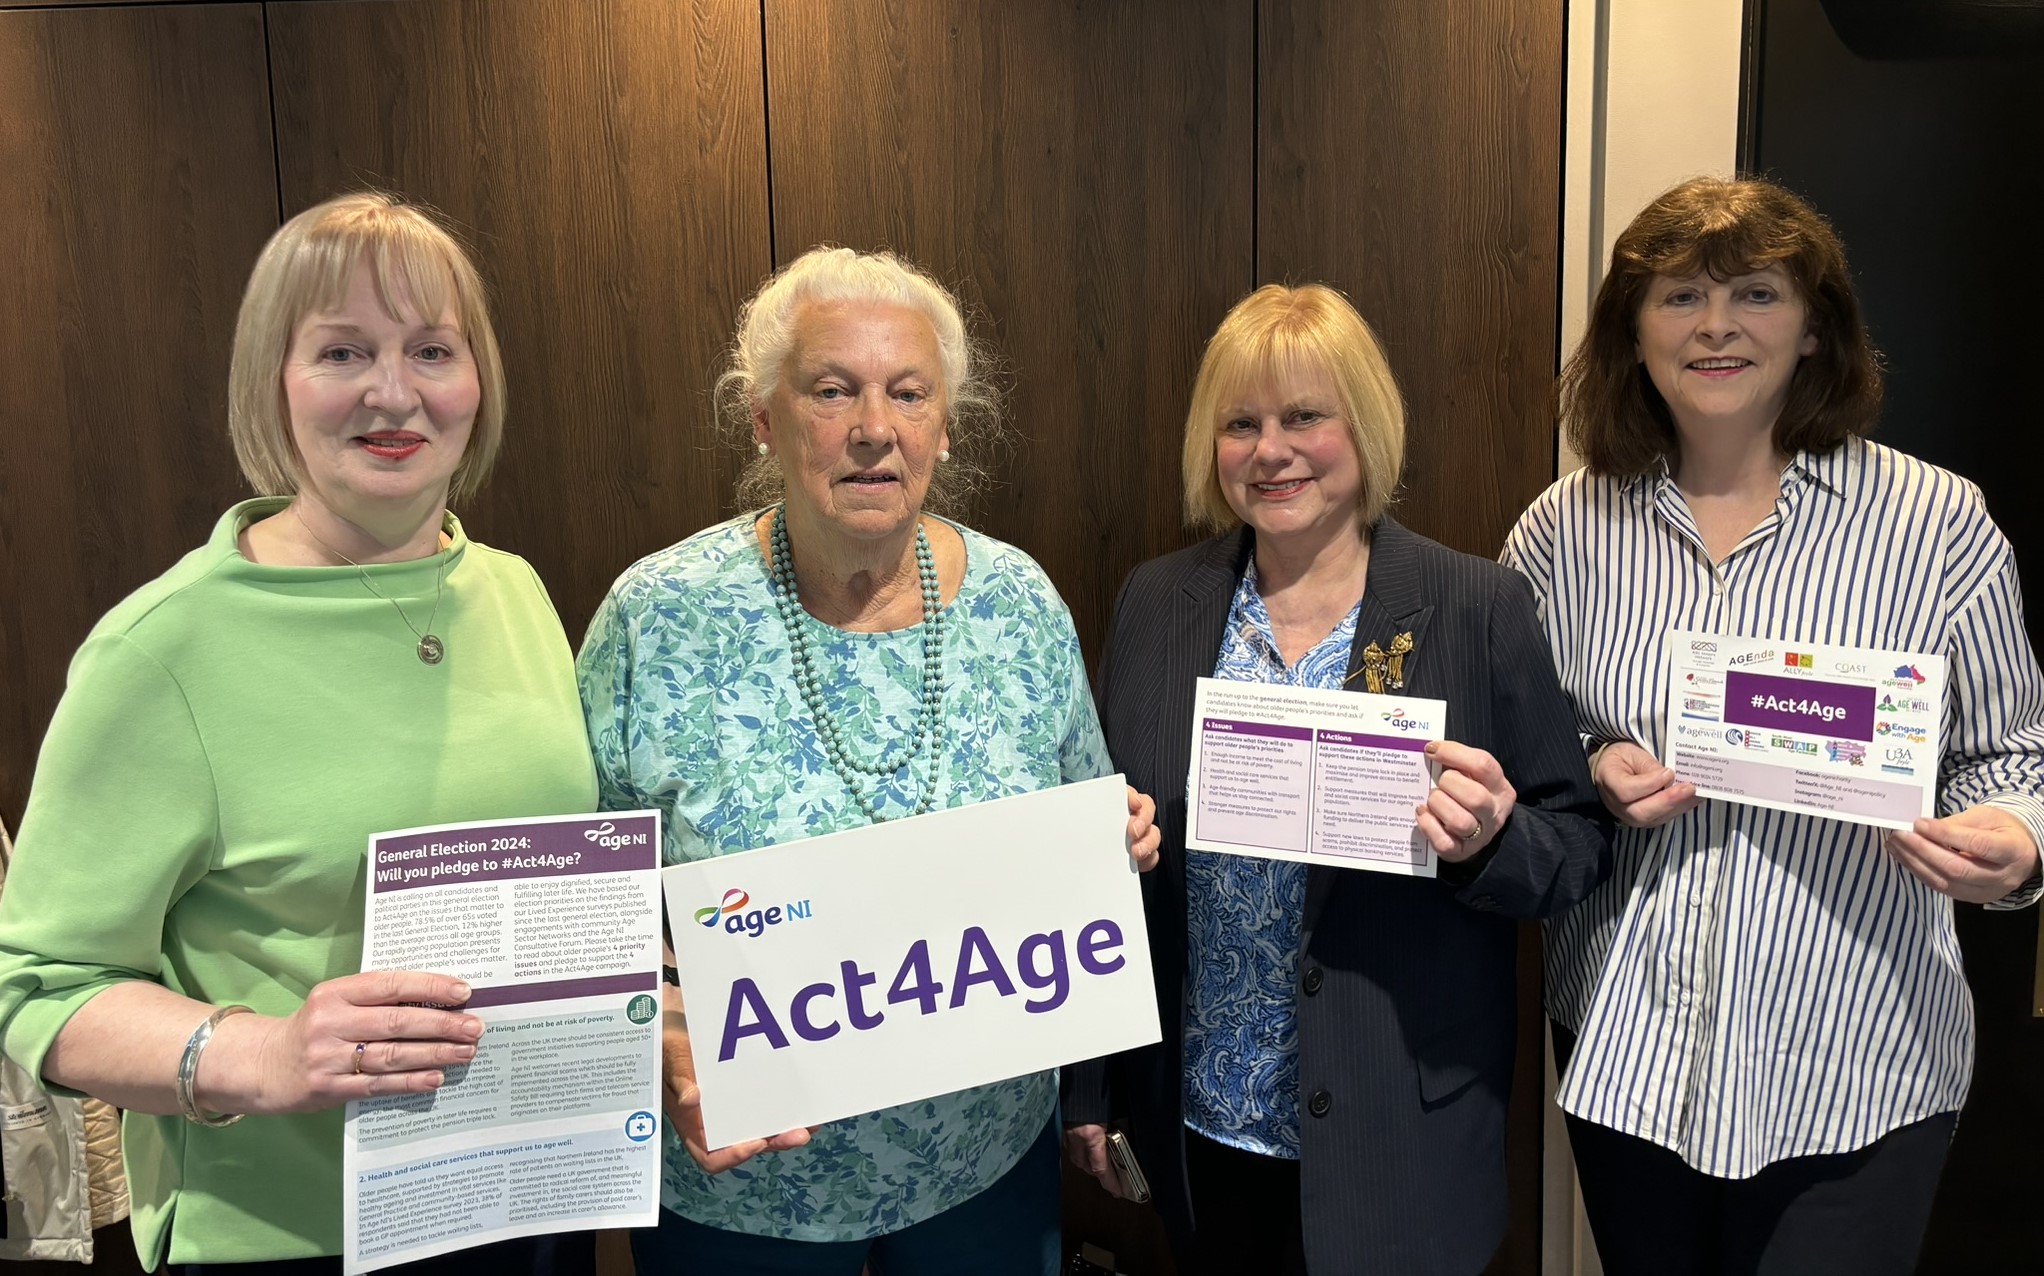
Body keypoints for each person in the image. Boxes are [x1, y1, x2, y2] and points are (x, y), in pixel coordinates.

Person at [0, 192, 598, 1273]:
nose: (392, 392)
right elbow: (40, 986)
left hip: (529, 1197)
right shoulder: (162, 650)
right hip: (288, 1239)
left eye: (430, 349)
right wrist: (263, 1053)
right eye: (341, 350)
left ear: (478, 382)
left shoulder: (514, 592)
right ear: (273, 382)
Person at [577, 245, 1161, 1276]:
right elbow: (581, 907)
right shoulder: (657, 618)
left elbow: (1079, 830)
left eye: (906, 392)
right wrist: (655, 1038)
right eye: (832, 389)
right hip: (746, 1189)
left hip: (982, 1167)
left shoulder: (1018, 604)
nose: (872, 428)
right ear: (765, 416)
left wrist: (1116, 843)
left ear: (941, 424)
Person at [1502, 176, 2044, 1275]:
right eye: (1677, 297)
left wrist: (2017, 843)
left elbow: (2009, 753)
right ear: (1631, 332)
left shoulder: (1935, 522)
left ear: (1812, 330)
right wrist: (1595, 759)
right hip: (1632, 1045)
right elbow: (1520, 741)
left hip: (1857, 1054)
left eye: (1754, 293)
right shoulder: (1563, 528)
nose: (1714, 326)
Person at [1063, 283, 1612, 1276]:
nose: (1269, 450)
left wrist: (1490, 838)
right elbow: (1107, 859)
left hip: (1397, 1131)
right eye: (1240, 423)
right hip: (1200, 1124)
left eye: (1304, 415)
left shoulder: (1472, 605)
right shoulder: (1159, 601)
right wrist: (1092, 1090)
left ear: (1362, 424)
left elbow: (1574, 848)